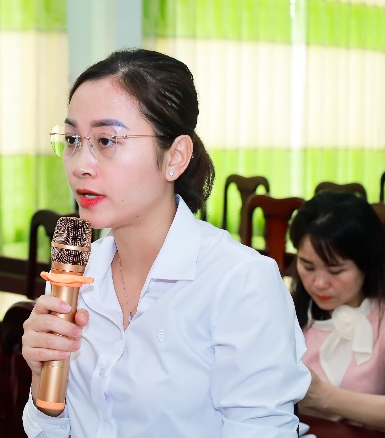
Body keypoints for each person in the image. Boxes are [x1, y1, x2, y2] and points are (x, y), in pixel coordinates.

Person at [21, 48, 310, 437]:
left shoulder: (239, 282)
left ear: (175, 157)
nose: (80, 165)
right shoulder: (76, 274)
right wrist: (42, 377)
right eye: (72, 139)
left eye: (106, 140)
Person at [289, 191, 385, 435]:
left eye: (336, 271)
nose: (320, 283)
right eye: (308, 266)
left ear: (367, 263)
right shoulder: (288, 312)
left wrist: (322, 396)